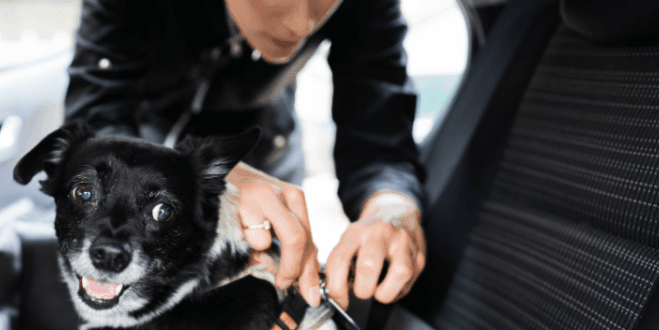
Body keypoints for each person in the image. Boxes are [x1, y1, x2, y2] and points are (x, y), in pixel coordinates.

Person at [64, 0, 426, 310]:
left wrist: (392, 207)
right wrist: (196, 178)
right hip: (141, 142)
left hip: (264, 147)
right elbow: (98, 111)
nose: (302, 24)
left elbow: (379, 135)